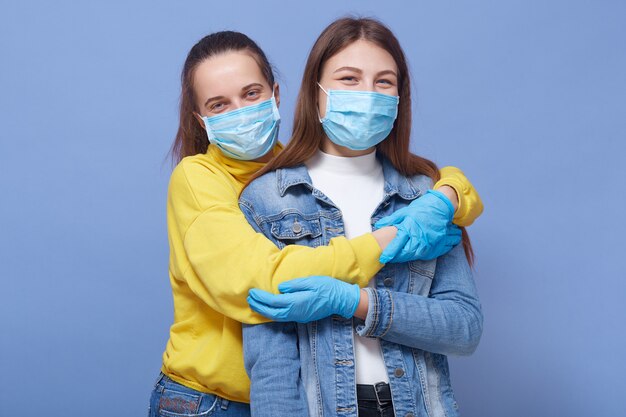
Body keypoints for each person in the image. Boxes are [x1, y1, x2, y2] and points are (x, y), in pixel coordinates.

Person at [148, 30, 483, 417]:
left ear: (276, 96)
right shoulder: (227, 186)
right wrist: (389, 242)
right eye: (219, 104)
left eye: (251, 94)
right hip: (207, 400)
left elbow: (464, 325)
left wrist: (449, 194)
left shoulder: (417, 191)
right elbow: (267, 284)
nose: (240, 112)